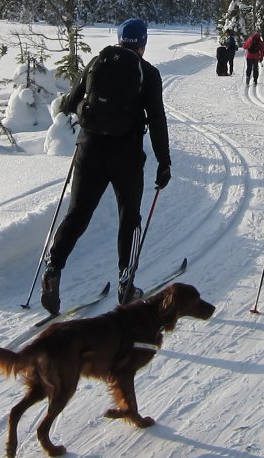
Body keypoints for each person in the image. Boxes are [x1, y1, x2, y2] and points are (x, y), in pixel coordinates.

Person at [44, 18, 172, 311]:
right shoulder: (148, 73)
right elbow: (157, 121)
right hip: (126, 157)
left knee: (77, 214)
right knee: (130, 217)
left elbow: (70, 102)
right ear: (143, 43)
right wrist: (164, 162)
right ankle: (126, 284)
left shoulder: (96, 62)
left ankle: (53, 268)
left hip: (89, 149)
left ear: (118, 38)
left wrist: (84, 114)